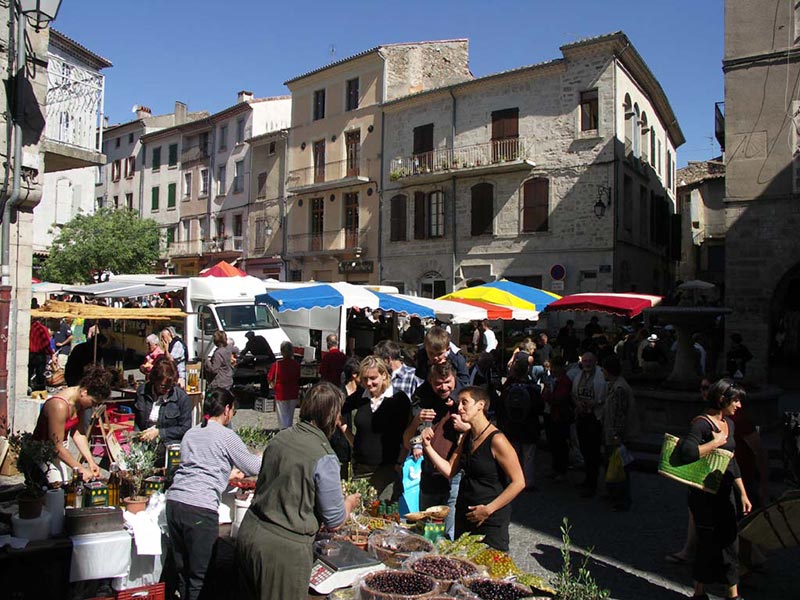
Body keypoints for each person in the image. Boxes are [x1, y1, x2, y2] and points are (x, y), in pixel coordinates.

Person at [236, 382, 361, 600]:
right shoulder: (324, 456)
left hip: (250, 532)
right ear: (332, 416)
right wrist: (349, 502)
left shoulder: (280, 438)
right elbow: (335, 519)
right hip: (283, 550)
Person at [166, 388, 261, 600]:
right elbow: (254, 467)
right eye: (233, 411)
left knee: (183, 573)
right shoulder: (227, 435)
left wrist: (225, 474)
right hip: (199, 508)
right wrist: (267, 455)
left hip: (174, 503)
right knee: (201, 577)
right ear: (227, 409)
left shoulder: (191, 432)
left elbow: (197, 466)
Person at [421, 385, 524, 551]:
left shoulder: (497, 440)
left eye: (464, 403)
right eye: (459, 403)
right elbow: (449, 470)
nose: (459, 408)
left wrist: (488, 509)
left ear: (480, 405)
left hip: (489, 519)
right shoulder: (467, 436)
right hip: (465, 514)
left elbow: (518, 482)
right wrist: (427, 447)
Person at [679, 378, 751, 600]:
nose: (739, 405)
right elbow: (687, 453)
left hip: (725, 493)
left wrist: (743, 493)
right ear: (722, 399)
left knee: (731, 543)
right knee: (707, 545)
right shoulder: (701, 423)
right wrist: (715, 442)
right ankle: (699, 593)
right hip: (704, 495)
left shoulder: (730, 424)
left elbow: (732, 461)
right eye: (736, 400)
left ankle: (733, 595)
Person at [404, 362, 467, 539]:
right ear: (431, 382)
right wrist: (418, 423)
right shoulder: (423, 399)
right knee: (427, 529)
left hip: (454, 474)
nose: (444, 387)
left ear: (454, 379)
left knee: (450, 531)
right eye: (438, 383)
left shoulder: (462, 401)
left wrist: (465, 427)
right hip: (429, 472)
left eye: (447, 382)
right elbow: (408, 440)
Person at [342, 356, 411, 500]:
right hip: (360, 468)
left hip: (387, 470)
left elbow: (408, 432)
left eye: (373, 378)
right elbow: (339, 411)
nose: (369, 383)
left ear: (384, 375)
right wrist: (345, 431)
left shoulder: (398, 399)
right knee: (357, 516)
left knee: (382, 517)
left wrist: (400, 462)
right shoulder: (361, 396)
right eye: (365, 378)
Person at [32, 365, 113, 483]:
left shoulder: (79, 403)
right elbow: (56, 445)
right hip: (43, 455)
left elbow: (78, 434)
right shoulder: (59, 406)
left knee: (64, 486)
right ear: (84, 392)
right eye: (93, 402)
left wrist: (91, 461)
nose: (93, 406)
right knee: (56, 491)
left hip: (58, 453)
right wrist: (80, 468)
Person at [600, 355, 639, 511]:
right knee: (613, 465)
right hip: (612, 433)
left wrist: (617, 435)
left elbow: (620, 414)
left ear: (608, 371)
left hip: (617, 436)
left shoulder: (619, 388)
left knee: (620, 468)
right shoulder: (615, 385)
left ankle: (622, 499)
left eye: (603, 369)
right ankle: (614, 495)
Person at [497, 358, 541, 492]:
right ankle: (528, 481)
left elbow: (502, 404)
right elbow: (539, 406)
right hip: (529, 425)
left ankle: (512, 479)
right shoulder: (533, 386)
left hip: (512, 425)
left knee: (512, 453)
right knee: (528, 455)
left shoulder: (509, 385)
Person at [134, 357, 192, 455]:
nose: (168, 389)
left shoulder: (181, 398)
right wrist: (137, 438)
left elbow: (185, 427)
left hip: (168, 446)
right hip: (144, 445)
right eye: (164, 386)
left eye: (171, 386)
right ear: (155, 380)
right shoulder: (142, 391)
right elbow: (137, 420)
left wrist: (159, 433)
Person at [571, 352, 607, 497]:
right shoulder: (579, 375)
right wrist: (578, 403)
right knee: (584, 448)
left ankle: (593, 483)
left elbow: (603, 396)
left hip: (594, 417)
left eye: (589, 361)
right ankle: (588, 479)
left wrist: (594, 403)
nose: (587, 363)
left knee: (593, 451)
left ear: (595, 362)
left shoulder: (600, 376)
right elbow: (573, 394)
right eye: (585, 361)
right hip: (582, 416)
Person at [542, 355, 573, 480]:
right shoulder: (551, 379)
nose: (553, 370)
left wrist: (548, 395)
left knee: (560, 443)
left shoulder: (565, 381)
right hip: (549, 414)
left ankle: (562, 470)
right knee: (552, 442)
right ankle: (555, 467)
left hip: (559, 415)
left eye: (555, 367)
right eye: (552, 367)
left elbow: (559, 399)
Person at [268, 341, 301, 429]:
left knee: (282, 416)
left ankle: (283, 431)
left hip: (280, 392)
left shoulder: (277, 364)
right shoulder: (296, 364)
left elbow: (269, 377)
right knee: (290, 415)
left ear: (282, 352)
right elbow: (298, 377)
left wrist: (273, 385)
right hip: (293, 391)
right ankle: (289, 429)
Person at [29, 317, 54, 394]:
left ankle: (28, 387)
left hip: (30, 354)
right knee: (40, 374)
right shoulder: (42, 329)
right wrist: (52, 354)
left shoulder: (29, 328)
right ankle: (39, 391)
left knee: (29, 373)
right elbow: (46, 343)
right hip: (40, 354)